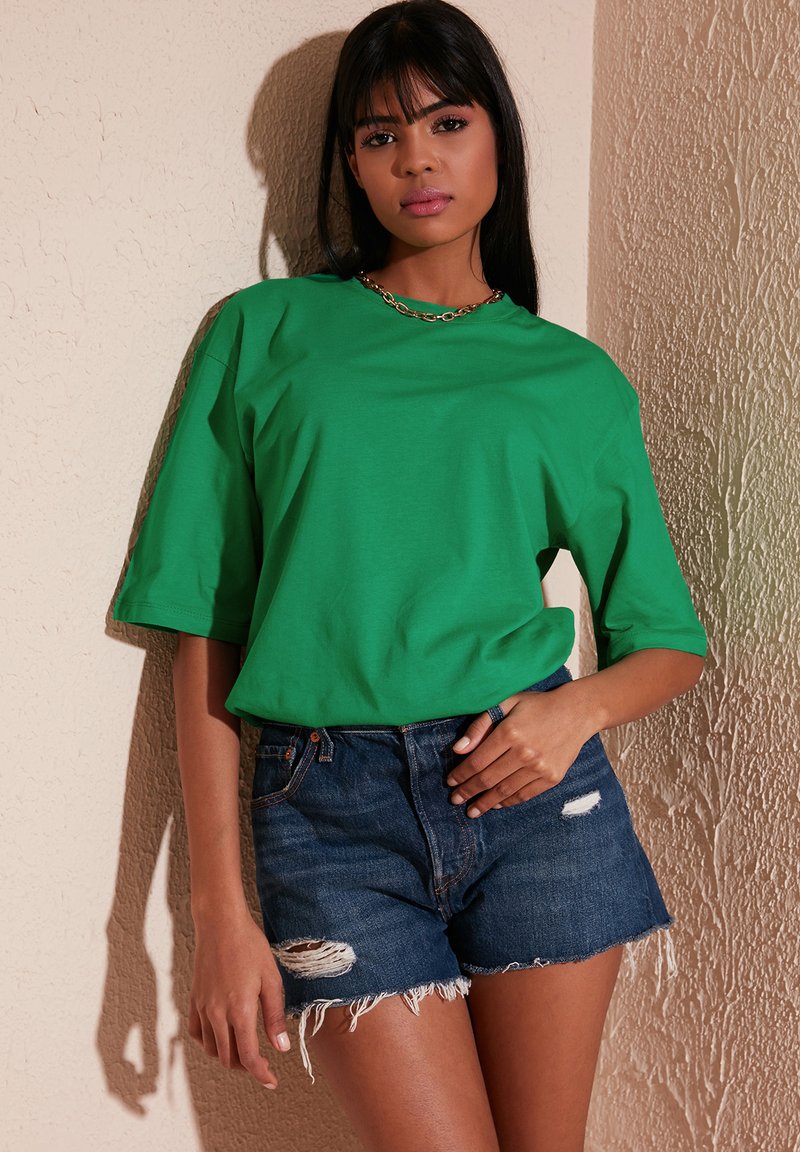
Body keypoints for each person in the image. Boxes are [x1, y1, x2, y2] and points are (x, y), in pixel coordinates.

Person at [111, 1, 707, 1148]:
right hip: (324, 818)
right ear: (349, 163)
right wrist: (216, 912)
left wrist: (569, 712)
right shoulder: (265, 333)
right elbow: (203, 624)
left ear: (496, 140)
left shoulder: (569, 380)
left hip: (532, 800)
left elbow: (667, 641)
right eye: (379, 135)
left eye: (445, 123)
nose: (416, 159)